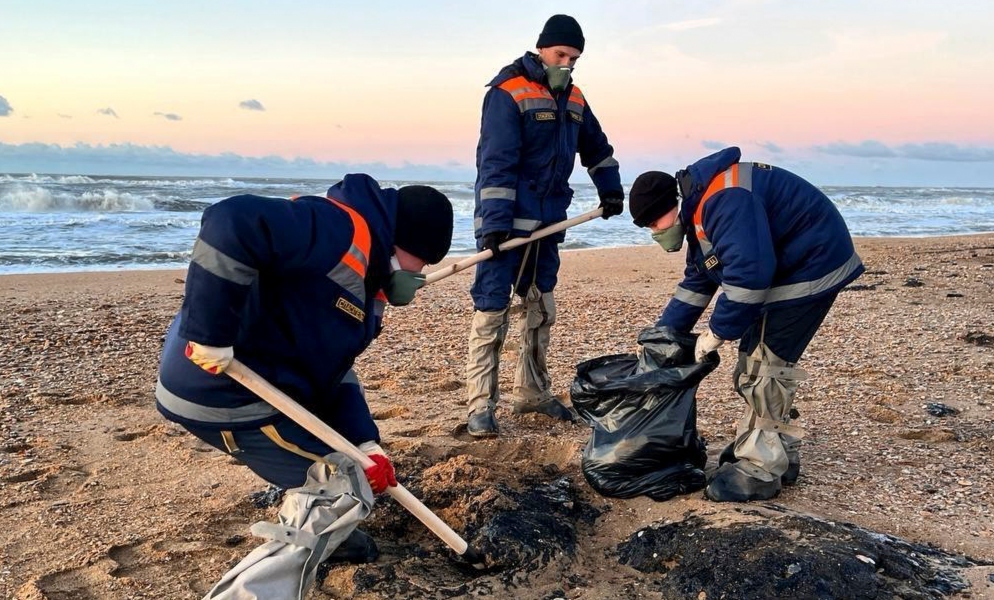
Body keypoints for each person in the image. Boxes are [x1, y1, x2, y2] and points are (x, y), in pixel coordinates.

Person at [154, 173, 454, 561]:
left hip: (275, 385)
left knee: (353, 466)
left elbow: (334, 371)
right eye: (423, 261)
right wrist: (210, 334)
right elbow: (231, 221)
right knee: (346, 489)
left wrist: (365, 440)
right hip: (222, 390)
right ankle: (289, 554)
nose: (420, 273)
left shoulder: (370, 283)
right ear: (403, 239)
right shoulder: (335, 230)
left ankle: (318, 489)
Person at [627, 146, 865, 502]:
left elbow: (750, 277)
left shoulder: (723, 201)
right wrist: (664, 336)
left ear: (670, 207)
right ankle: (776, 451)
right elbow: (699, 280)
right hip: (791, 263)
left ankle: (761, 469)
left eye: (652, 224)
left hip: (811, 266)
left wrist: (716, 334)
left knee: (764, 367)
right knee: (757, 362)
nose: (654, 232)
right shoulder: (700, 210)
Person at [466, 14, 626, 438]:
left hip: (550, 222)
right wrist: (496, 224)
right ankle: (480, 405)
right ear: (542, 48)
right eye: (562, 55)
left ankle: (532, 392)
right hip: (507, 224)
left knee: (540, 307)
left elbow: (598, 148)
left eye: (575, 58)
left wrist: (610, 189)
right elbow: (495, 162)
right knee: (492, 308)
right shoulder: (508, 92)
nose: (568, 64)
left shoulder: (574, 99)